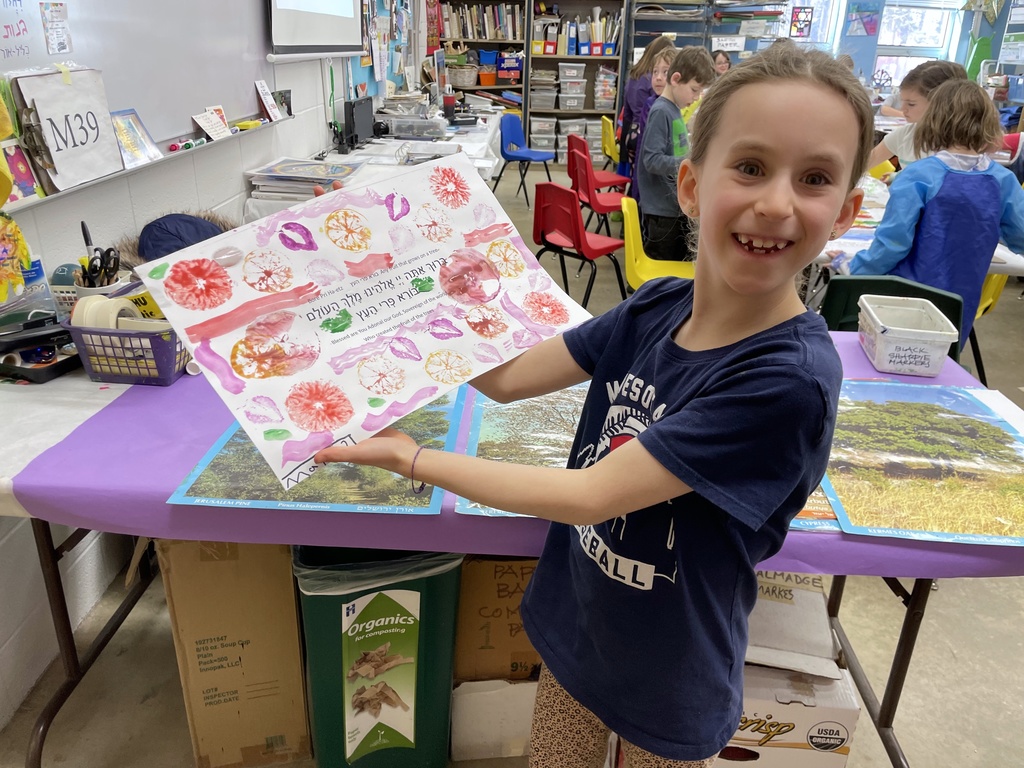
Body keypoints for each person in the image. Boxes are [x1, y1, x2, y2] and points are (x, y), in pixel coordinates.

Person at [314, 43, 872, 768]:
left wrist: (413, 457)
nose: (776, 201)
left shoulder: (785, 379)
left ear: (848, 210)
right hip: (579, 627)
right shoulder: (657, 305)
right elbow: (510, 378)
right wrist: (402, 302)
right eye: (752, 166)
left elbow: (587, 496)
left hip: (671, 674)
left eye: (816, 178)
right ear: (693, 187)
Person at [831, 79, 1024, 343]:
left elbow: (892, 245)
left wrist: (851, 266)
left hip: (905, 301)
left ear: (933, 120)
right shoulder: (1003, 181)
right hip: (960, 305)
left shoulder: (918, 176)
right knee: (940, 361)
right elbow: (1020, 237)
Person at [637, 46, 715, 260]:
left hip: (674, 208)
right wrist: (688, 163)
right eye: (694, 89)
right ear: (676, 79)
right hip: (662, 213)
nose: (697, 97)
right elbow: (651, 160)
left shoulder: (674, 110)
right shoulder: (662, 111)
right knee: (662, 273)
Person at [866, 60, 968, 172]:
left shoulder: (967, 146)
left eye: (911, 104)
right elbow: (863, 165)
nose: (902, 109)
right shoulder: (904, 136)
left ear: (942, 104)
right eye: (902, 101)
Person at [619, 36, 677, 179]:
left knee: (636, 176)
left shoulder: (635, 74)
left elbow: (627, 114)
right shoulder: (652, 82)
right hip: (642, 133)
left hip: (630, 132)